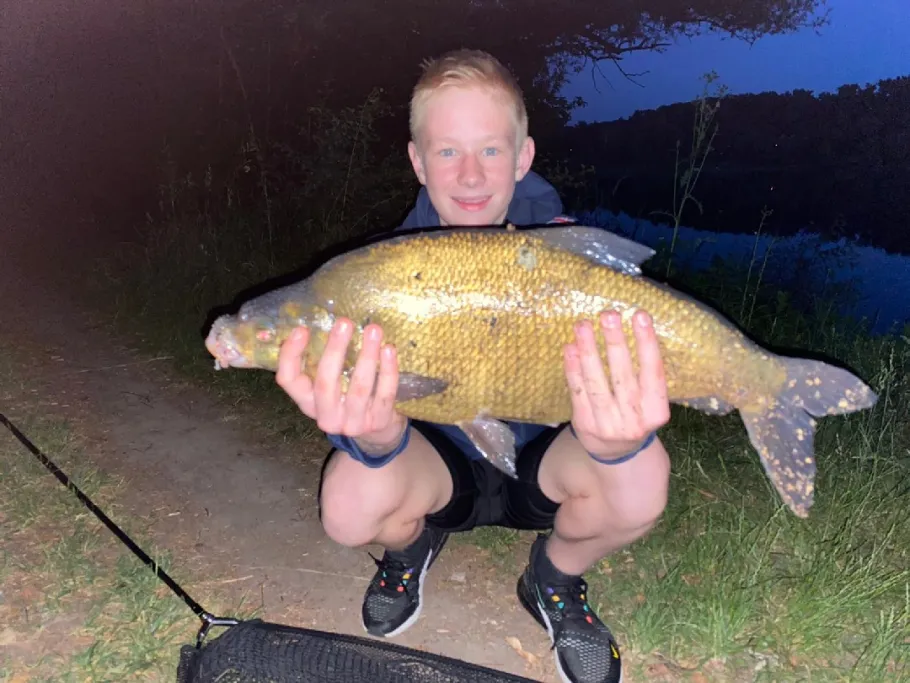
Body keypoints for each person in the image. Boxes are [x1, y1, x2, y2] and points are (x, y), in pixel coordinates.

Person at [275, 49, 672, 683]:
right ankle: (409, 549)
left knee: (641, 475)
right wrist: (374, 436)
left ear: (522, 157)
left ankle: (554, 578)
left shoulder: (566, 258)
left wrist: (618, 440)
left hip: (547, 460)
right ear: (417, 161)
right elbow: (369, 423)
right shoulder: (379, 275)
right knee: (347, 506)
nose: (469, 174)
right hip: (442, 468)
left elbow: (624, 378)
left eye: (490, 149)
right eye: (447, 151)